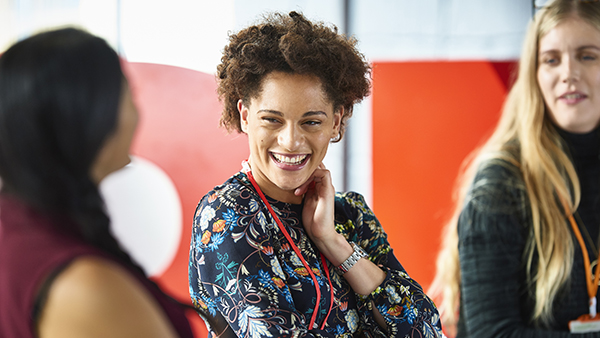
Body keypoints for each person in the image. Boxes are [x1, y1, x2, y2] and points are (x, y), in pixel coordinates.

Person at [188, 11, 443, 338]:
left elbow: (426, 329)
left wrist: (334, 242)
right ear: (245, 115)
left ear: (335, 122)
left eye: (311, 122)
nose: (291, 141)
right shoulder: (227, 215)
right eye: (272, 120)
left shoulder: (350, 215)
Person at [0, 28, 195, 338]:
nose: (137, 111)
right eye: (128, 94)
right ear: (94, 119)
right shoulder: (86, 287)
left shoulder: (16, 228)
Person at [430, 0, 600, 336]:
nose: (568, 73)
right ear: (535, 76)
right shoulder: (501, 182)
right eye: (551, 60)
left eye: (587, 55)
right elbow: (489, 333)